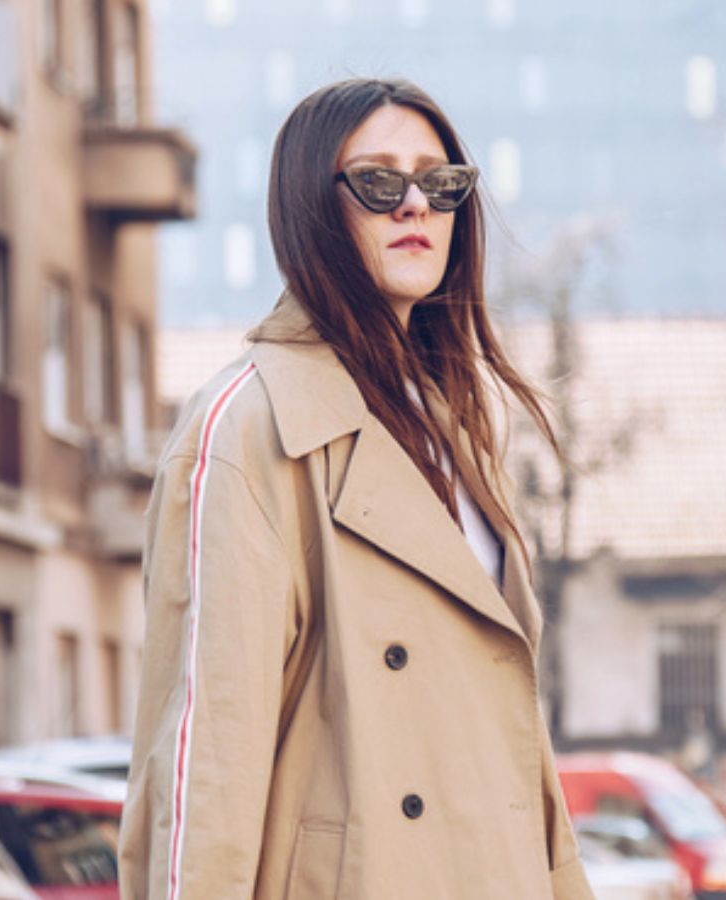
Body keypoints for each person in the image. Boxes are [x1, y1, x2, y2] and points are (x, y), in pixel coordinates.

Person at [119, 77, 595, 899]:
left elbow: (516, 757)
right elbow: (209, 755)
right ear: (312, 207)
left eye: (441, 184)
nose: (416, 206)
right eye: (380, 182)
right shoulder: (247, 426)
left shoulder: (457, 428)